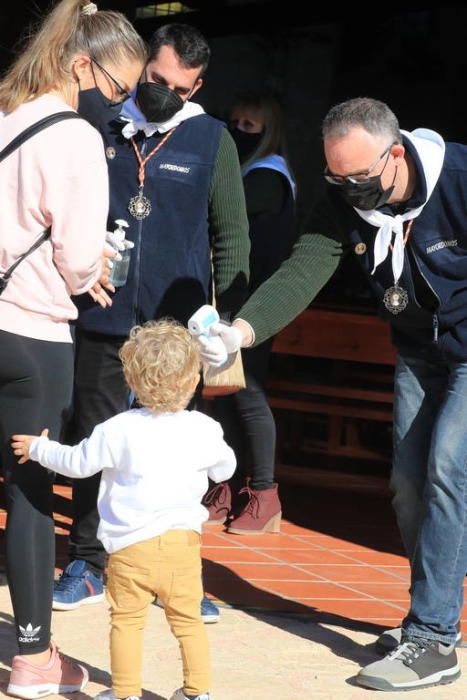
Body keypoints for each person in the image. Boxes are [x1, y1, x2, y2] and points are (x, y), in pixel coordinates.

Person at [196, 96, 467, 692]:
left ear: (396, 154)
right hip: (421, 353)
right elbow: (304, 268)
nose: (349, 190)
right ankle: (435, 610)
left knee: (448, 469)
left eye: (360, 178)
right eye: (336, 177)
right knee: (408, 485)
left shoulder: (459, 179)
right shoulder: (345, 197)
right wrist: (240, 332)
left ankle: (434, 637)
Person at [52, 22, 250, 623]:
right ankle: (88, 561)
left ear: (198, 87)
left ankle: (176, 575)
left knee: (171, 460)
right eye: (155, 79)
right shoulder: (98, 123)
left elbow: (231, 236)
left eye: (178, 88)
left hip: (175, 333)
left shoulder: (212, 139)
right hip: (103, 316)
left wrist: (228, 324)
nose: (164, 93)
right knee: (97, 440)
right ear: (141, 68)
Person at [0, 0, 147, 696]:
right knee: (30, 493)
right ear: (81, 64)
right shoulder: (77, 139)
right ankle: (33, 659)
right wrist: (95, 276)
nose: (119, 106)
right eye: (118, 90)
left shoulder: (6, 114)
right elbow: (80, 254)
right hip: (34, 335)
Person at [12, 319, 236, 700]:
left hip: (130, 547)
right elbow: (226, 468)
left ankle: (126, 692)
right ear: (193, 380)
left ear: (131, 381)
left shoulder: (117, 428)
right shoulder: (205, 428)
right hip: (182, 545)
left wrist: (37, 448)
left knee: (128, 623)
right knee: (188, 622)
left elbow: (77, 463)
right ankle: (197, 692)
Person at [204, 91, 297, 534]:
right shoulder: (252, 173)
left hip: (254, 305)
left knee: (248, 395)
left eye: (249, 126)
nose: (238, 132)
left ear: (268, 132)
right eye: (234, 122)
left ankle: (263, 492)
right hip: (234, 300)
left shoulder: (265, 178)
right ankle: (227, 485)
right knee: (224, 393)